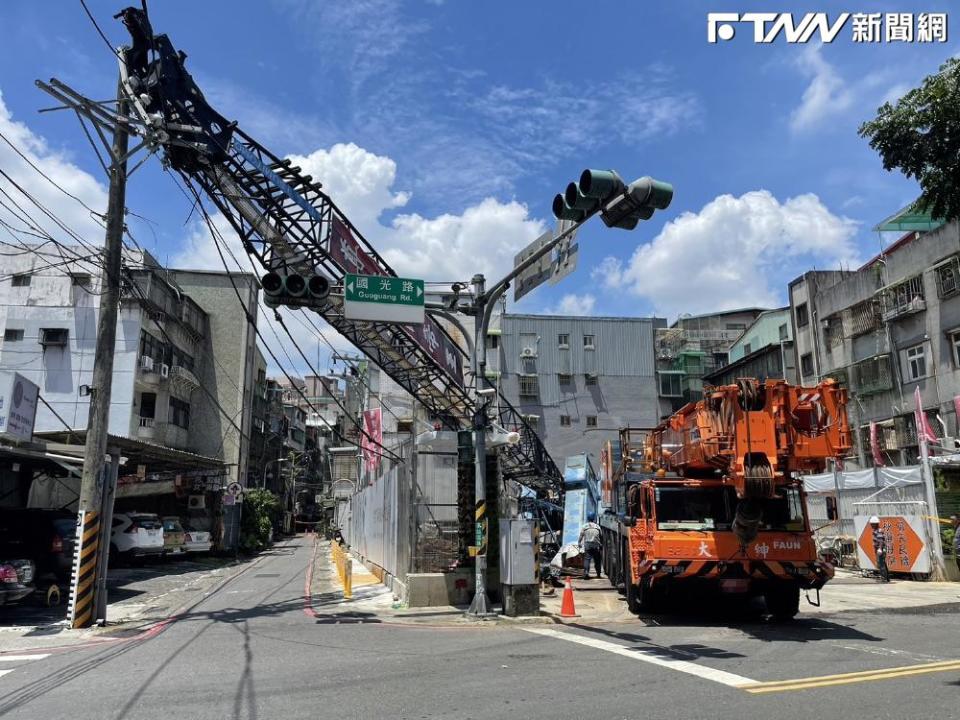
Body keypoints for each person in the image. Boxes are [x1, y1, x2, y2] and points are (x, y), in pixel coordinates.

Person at [870, 515, 889, 583]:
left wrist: (880, 549)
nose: (871, 525)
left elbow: (881, 540)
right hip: (878, 549)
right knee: (882, 563)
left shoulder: (879, 531)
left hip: (880, 549)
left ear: (875, 524)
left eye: (872, 524)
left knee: (880, 563)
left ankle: (884, 578)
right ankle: (886, 578)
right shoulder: (876, 530)